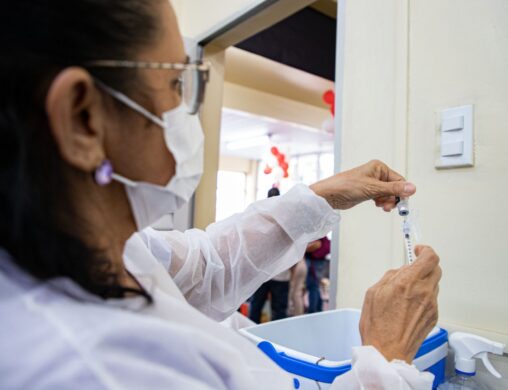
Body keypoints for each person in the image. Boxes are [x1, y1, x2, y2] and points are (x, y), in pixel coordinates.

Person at [0, 1, 441, 389]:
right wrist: (386, 359)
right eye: (176, 82)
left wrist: (322, 197)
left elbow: (210, 266)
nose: (186, 112)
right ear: (82, 118)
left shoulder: (100, 246)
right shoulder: (90, 369)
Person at [249, 187, 291, 323]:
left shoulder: (261, 214)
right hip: (279, 272)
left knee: (256, 306)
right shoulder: (286, 215)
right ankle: (276, 337)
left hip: (263, 271)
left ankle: (251, 335)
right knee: (278, 310)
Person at [305, 236, 330, 313]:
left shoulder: (316, 235)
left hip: (314, 262)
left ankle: (312, 311)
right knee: (315, 286)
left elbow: (317, 244)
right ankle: (318, 309)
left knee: (313, 287)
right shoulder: (320, 234)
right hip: (318, 261)